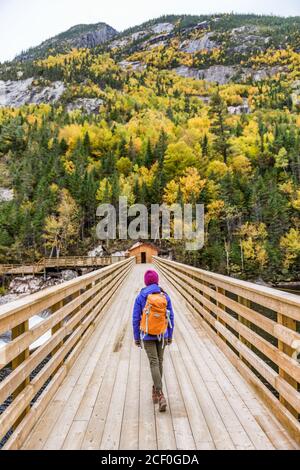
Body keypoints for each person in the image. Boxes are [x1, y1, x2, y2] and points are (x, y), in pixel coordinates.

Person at [132, 269, 174, 412]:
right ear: (157, 281)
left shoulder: (140, 297)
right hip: (162, 333)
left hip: (147, 334)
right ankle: (156, 390)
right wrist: (170, 335)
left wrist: (137, 338)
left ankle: (160, 393)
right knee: (159, 361)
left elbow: (136, 318)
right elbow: (171, 317)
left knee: (153, 362)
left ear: (145, 282)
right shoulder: (165, 296)